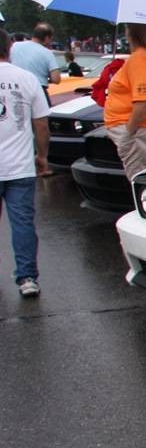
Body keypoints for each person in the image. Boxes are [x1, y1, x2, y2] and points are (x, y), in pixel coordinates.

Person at [0, 28, 52, 297]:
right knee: (22, 224)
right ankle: (27, 278)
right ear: (9, 47)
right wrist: (42, 157)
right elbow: (41, 124)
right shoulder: (26, 79)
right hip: (20, 165)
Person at [104, 23, 146, 180]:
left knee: (143, 180)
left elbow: (144, 101)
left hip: (140, 130)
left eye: (127, 28)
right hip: (145, 129)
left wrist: (128, 133)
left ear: (132, 33)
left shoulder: (141, 59)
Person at [10, 22, 61, 101]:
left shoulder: (15, 46)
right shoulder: (47, 53)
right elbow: (56, 79)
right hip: (38, 90)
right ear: (47, 38)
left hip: (15, 89)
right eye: (51, 39)